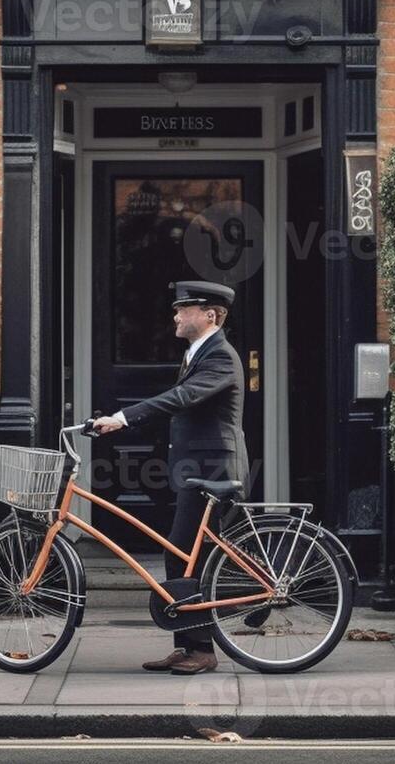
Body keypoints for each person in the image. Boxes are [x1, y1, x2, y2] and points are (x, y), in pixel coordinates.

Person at [90, 279, 249, 676]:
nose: (175, 315)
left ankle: (211, 640)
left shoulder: (221, 357)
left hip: (214, 470)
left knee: (189, 557)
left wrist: (122, 418)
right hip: (198, 470)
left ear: (209, 315)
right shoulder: (199, 353)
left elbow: (180, 399)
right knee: (181, 555)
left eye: (184, 309)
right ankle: (188, 645)